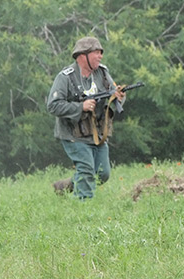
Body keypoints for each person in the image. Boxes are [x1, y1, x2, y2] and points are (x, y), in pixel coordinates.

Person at [47, 37, 127, 200]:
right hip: (73, 134)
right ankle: (83, 209)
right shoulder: (65, 77)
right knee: (86, 170)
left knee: (102, 173)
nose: (100, 56)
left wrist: (119, 97)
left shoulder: (103, 73)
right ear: (82, 56)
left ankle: (66, 186)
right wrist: (80, 107)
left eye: (101, 53)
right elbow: (53, 105)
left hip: (96, 132)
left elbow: (114, 93)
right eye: (96, 53)